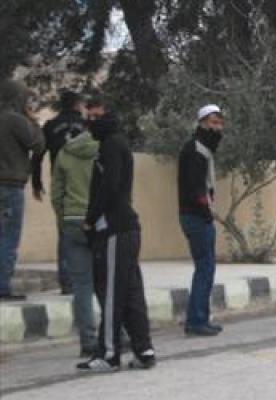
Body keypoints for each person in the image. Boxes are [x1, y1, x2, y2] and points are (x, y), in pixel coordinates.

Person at [77, 112, 156, 372]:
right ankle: (144, 350)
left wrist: (90, 219)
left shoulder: (110, 145)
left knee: (112, 293)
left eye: (93, 118)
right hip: (127, 229)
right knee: (131, 293)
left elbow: (109, 187)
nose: (89, 125)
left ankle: (109, 354)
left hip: (115, 230)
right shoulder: (119, 143)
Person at [32, 90, 87, 295]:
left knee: (65, 231)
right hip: (84, 182)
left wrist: (36, 182)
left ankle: (67, 282)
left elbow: (37, 155)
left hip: (61, 183)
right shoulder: (86, 125)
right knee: (87, 229)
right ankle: (84, 279)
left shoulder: (50, 125)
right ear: (77, 104)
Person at [51, 130, 99, 357]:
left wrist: (63, 220)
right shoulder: (103, 148)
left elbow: (56, 194)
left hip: (72, 219)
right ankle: (117, 333)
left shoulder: (64, 152)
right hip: (98, 219)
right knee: (106, 281)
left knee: (82, 285)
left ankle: (87, 340)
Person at [178, 105, 225, 337]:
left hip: (197, 215)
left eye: (220, 123)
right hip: (196, 217)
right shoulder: (196, 149)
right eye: (213, 123)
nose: (217, 128)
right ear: (202, 123)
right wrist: (206, 210)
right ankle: (196, 320)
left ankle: (200, 318)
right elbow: (195, 188)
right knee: (205, 268)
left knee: (205, 267)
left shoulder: (203, 148)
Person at [0, 80, 45, 301]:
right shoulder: (15, 120)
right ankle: (2, 287)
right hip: (9, 186)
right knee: (8, 238)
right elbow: (38, 144)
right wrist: (33, 121)